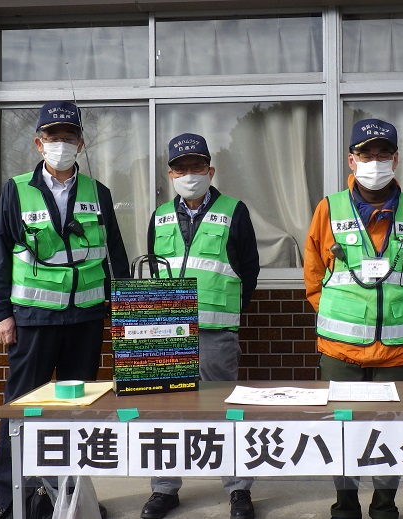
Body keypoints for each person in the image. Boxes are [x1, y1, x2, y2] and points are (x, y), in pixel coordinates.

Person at [0, 101, 131, 519]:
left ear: (81, 144)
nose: (60, 144)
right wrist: (0, 314)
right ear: (38, 143)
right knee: (22, 413)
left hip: (84, 320)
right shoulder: (16, 189)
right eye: (52, 137)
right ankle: (13, 502)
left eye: (68, 137)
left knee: (78, 415)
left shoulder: (98, 193)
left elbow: (113, 257)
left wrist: (125, 313)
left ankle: (72, 498)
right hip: (32, 321)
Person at [303, 119, 403, 519]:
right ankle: (344, 506)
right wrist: (338, 317)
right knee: (342, 431)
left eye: (382, 155)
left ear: (395, 158)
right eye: (365, 154)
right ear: (351, 159)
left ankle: (384, 507)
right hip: (340, 350)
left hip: (396, 351)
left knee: (391, 432)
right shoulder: (329, 208)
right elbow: (313, 273)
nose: (374, 162)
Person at [140, 133, 260, 519]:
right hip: (165, 329)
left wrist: (229, 311)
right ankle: (164, 489)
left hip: (215, 331)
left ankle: (238, 489)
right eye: (181, 168)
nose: (188, 174)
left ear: (210, 170)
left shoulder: (233, 210)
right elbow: (153, 271)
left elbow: (249, 270)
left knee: (224, 410)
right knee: (164, 411)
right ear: (170, 173)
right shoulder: (158, 215)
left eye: (196, 167)